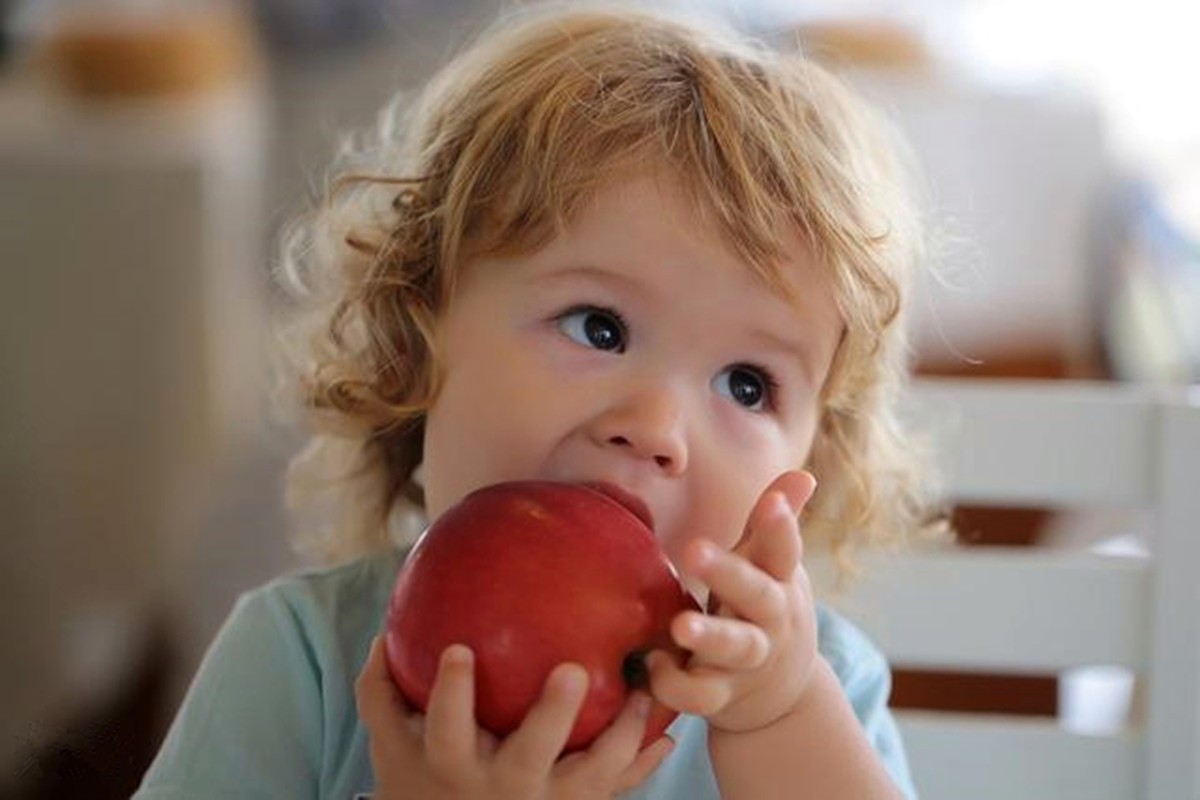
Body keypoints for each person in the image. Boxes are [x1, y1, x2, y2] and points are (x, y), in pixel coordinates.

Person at [135, 3, 946, 798]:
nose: (656, 430)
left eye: (747, 384)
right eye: (598, 327)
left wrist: (779, 721)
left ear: (812, 463)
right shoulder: (302, 663)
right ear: (418, 338)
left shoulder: (814, 688)